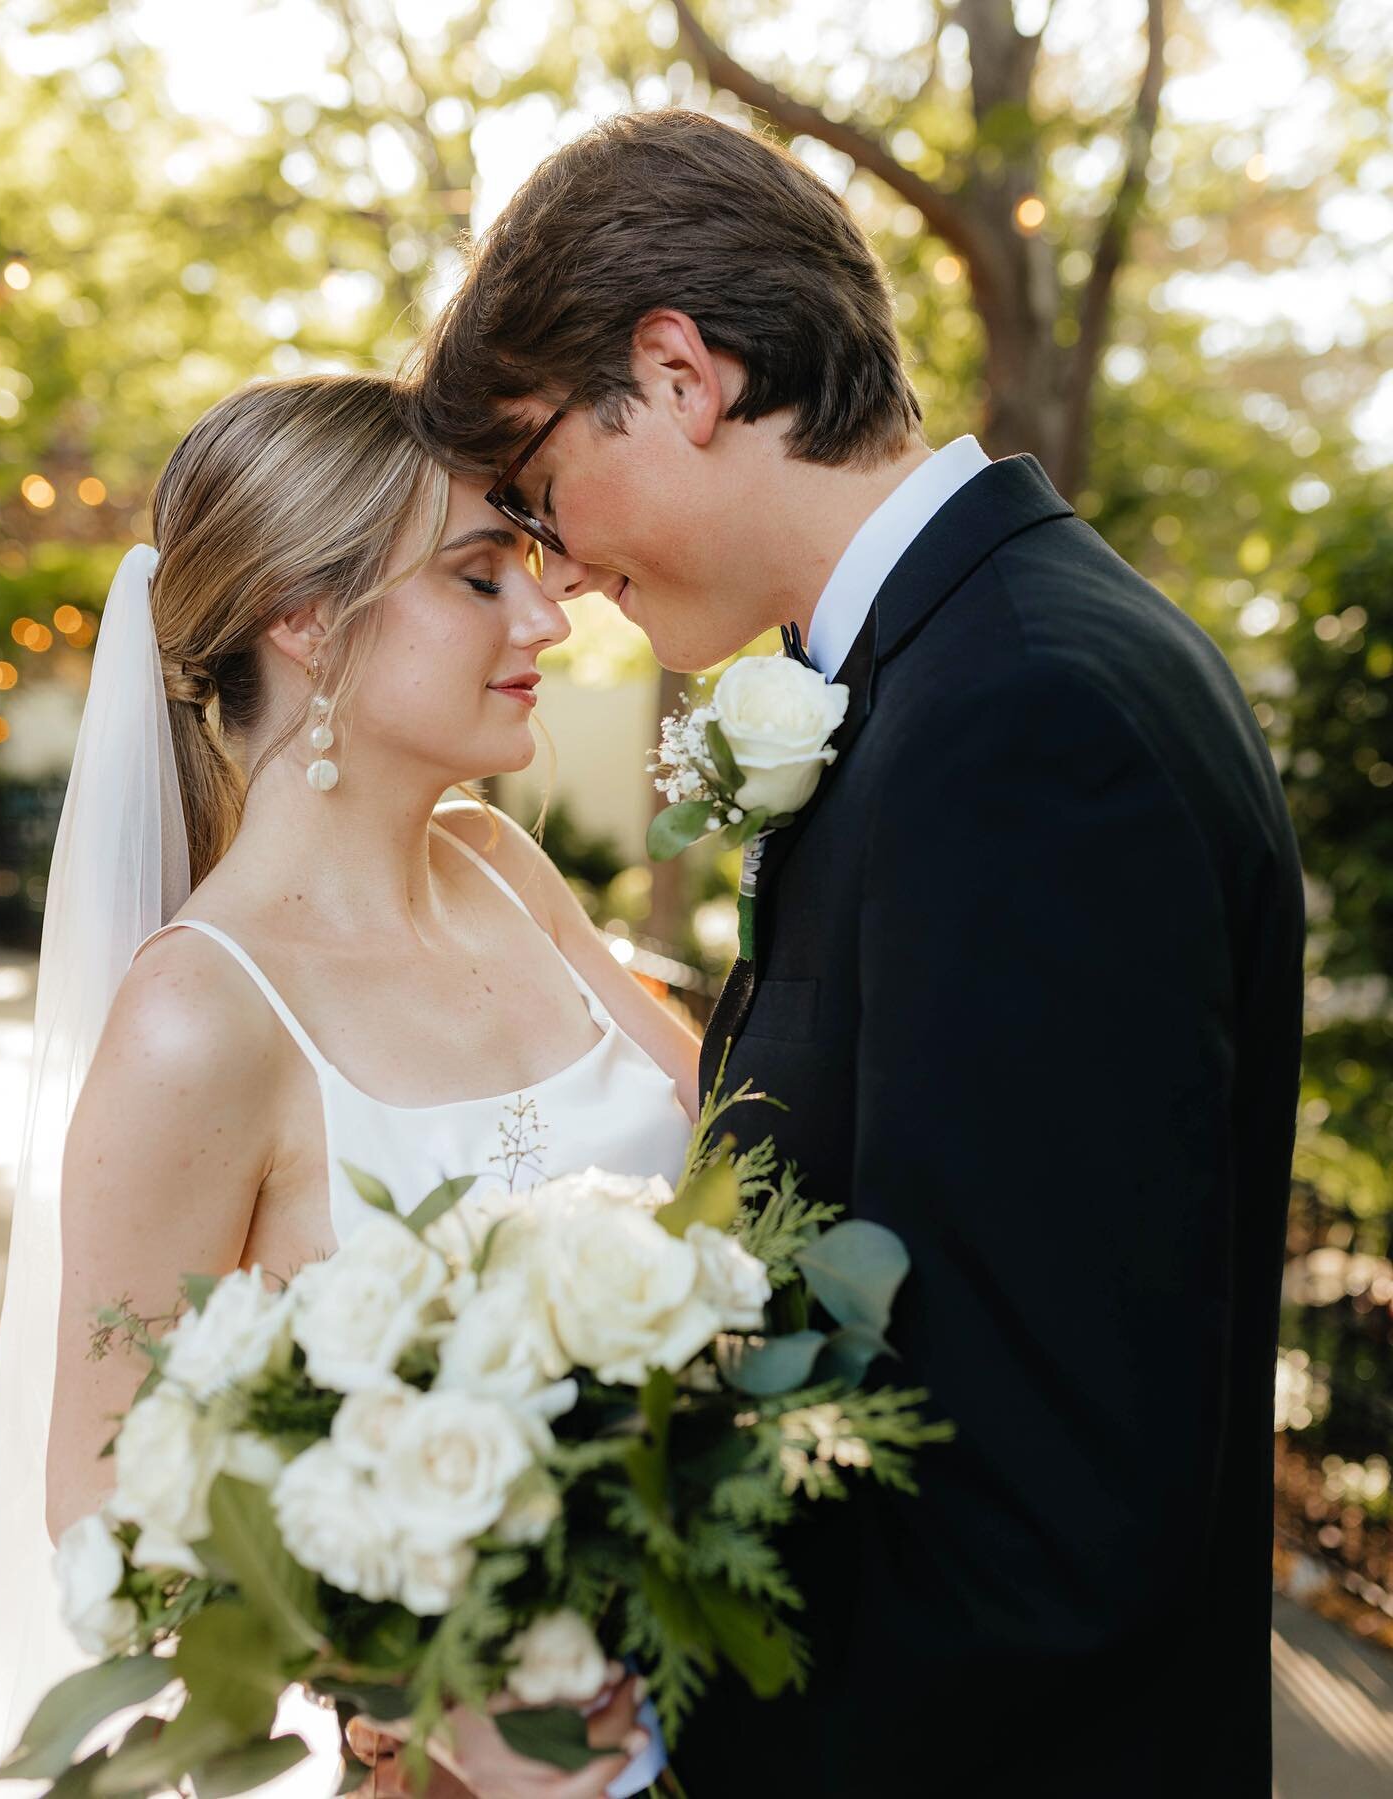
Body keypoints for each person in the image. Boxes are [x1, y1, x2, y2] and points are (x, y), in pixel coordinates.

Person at [411, 108, 1306, 1794]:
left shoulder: (1026, 726)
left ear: (679, 375)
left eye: (540, 488)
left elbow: (1044, 1511)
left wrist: (633, 1741)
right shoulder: (956, 673)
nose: (560, 566)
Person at [0, 371, 694, 1798]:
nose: (548, 617)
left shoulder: (502, 865)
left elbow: (739, 1152)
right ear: (304, 617)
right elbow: (104, 1507)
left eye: (533, 571)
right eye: (483, 576)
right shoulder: (198, 1017)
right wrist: (401, 1672)